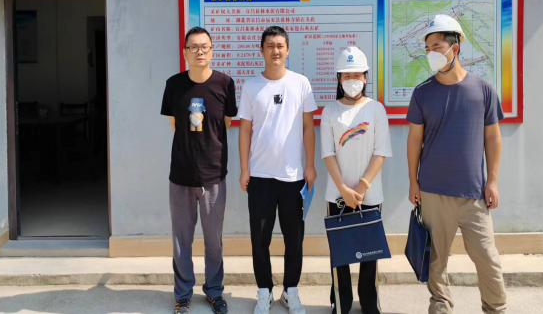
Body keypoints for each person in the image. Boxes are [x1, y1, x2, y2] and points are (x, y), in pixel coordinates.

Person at [406, 14, 507, 314]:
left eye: (437, 47)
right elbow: (414, 140)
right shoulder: (422, 93)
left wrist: (493, 180)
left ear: (455, 48)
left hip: (474, 194)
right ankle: (441, 306)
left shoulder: (483, 89)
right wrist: (413, 182)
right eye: (427, 48)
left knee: (488, 258)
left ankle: (496, 308)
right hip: (433, 192)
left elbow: (493, 137)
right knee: (436, 261)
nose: (431, 54)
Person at [238, 26, 317, 314]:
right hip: (260, 176)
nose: (275, 50)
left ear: (288, 50)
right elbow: (244, 130)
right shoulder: (251, 87)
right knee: (260, 238)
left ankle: (290, 291)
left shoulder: (301, 83)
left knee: (294, 238)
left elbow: (308, 127)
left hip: (293, 177)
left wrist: (310, 165)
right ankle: (264, 291)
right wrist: (244, 169)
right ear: (261, 50)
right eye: (270, 45)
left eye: (280, 45)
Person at [161, 27, 237, 314]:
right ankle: (182, 295)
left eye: (204, 46)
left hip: (214, 174)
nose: (200, 51)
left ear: (212, 51)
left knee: (214, 240)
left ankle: (214, 291)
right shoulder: (174, 85)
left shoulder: (225, 84)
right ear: (185, 53)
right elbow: (175, 125)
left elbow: (225, 124)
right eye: (193, 47)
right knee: (181, 241)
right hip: (181, 175)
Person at [320, 47, 392, 314]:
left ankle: (369, 301)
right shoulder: (330, 112)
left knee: (370, 253)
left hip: (369, 195)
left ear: (365, 77)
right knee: (340, 255)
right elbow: (328, 154)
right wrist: (343, 189)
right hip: (337, 195)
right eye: (347, 75)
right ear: (339, 79)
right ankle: (342, 303)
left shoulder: (376, 109)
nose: (352, 80)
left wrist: (360, 188)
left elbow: (380, 152)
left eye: (357, 75)